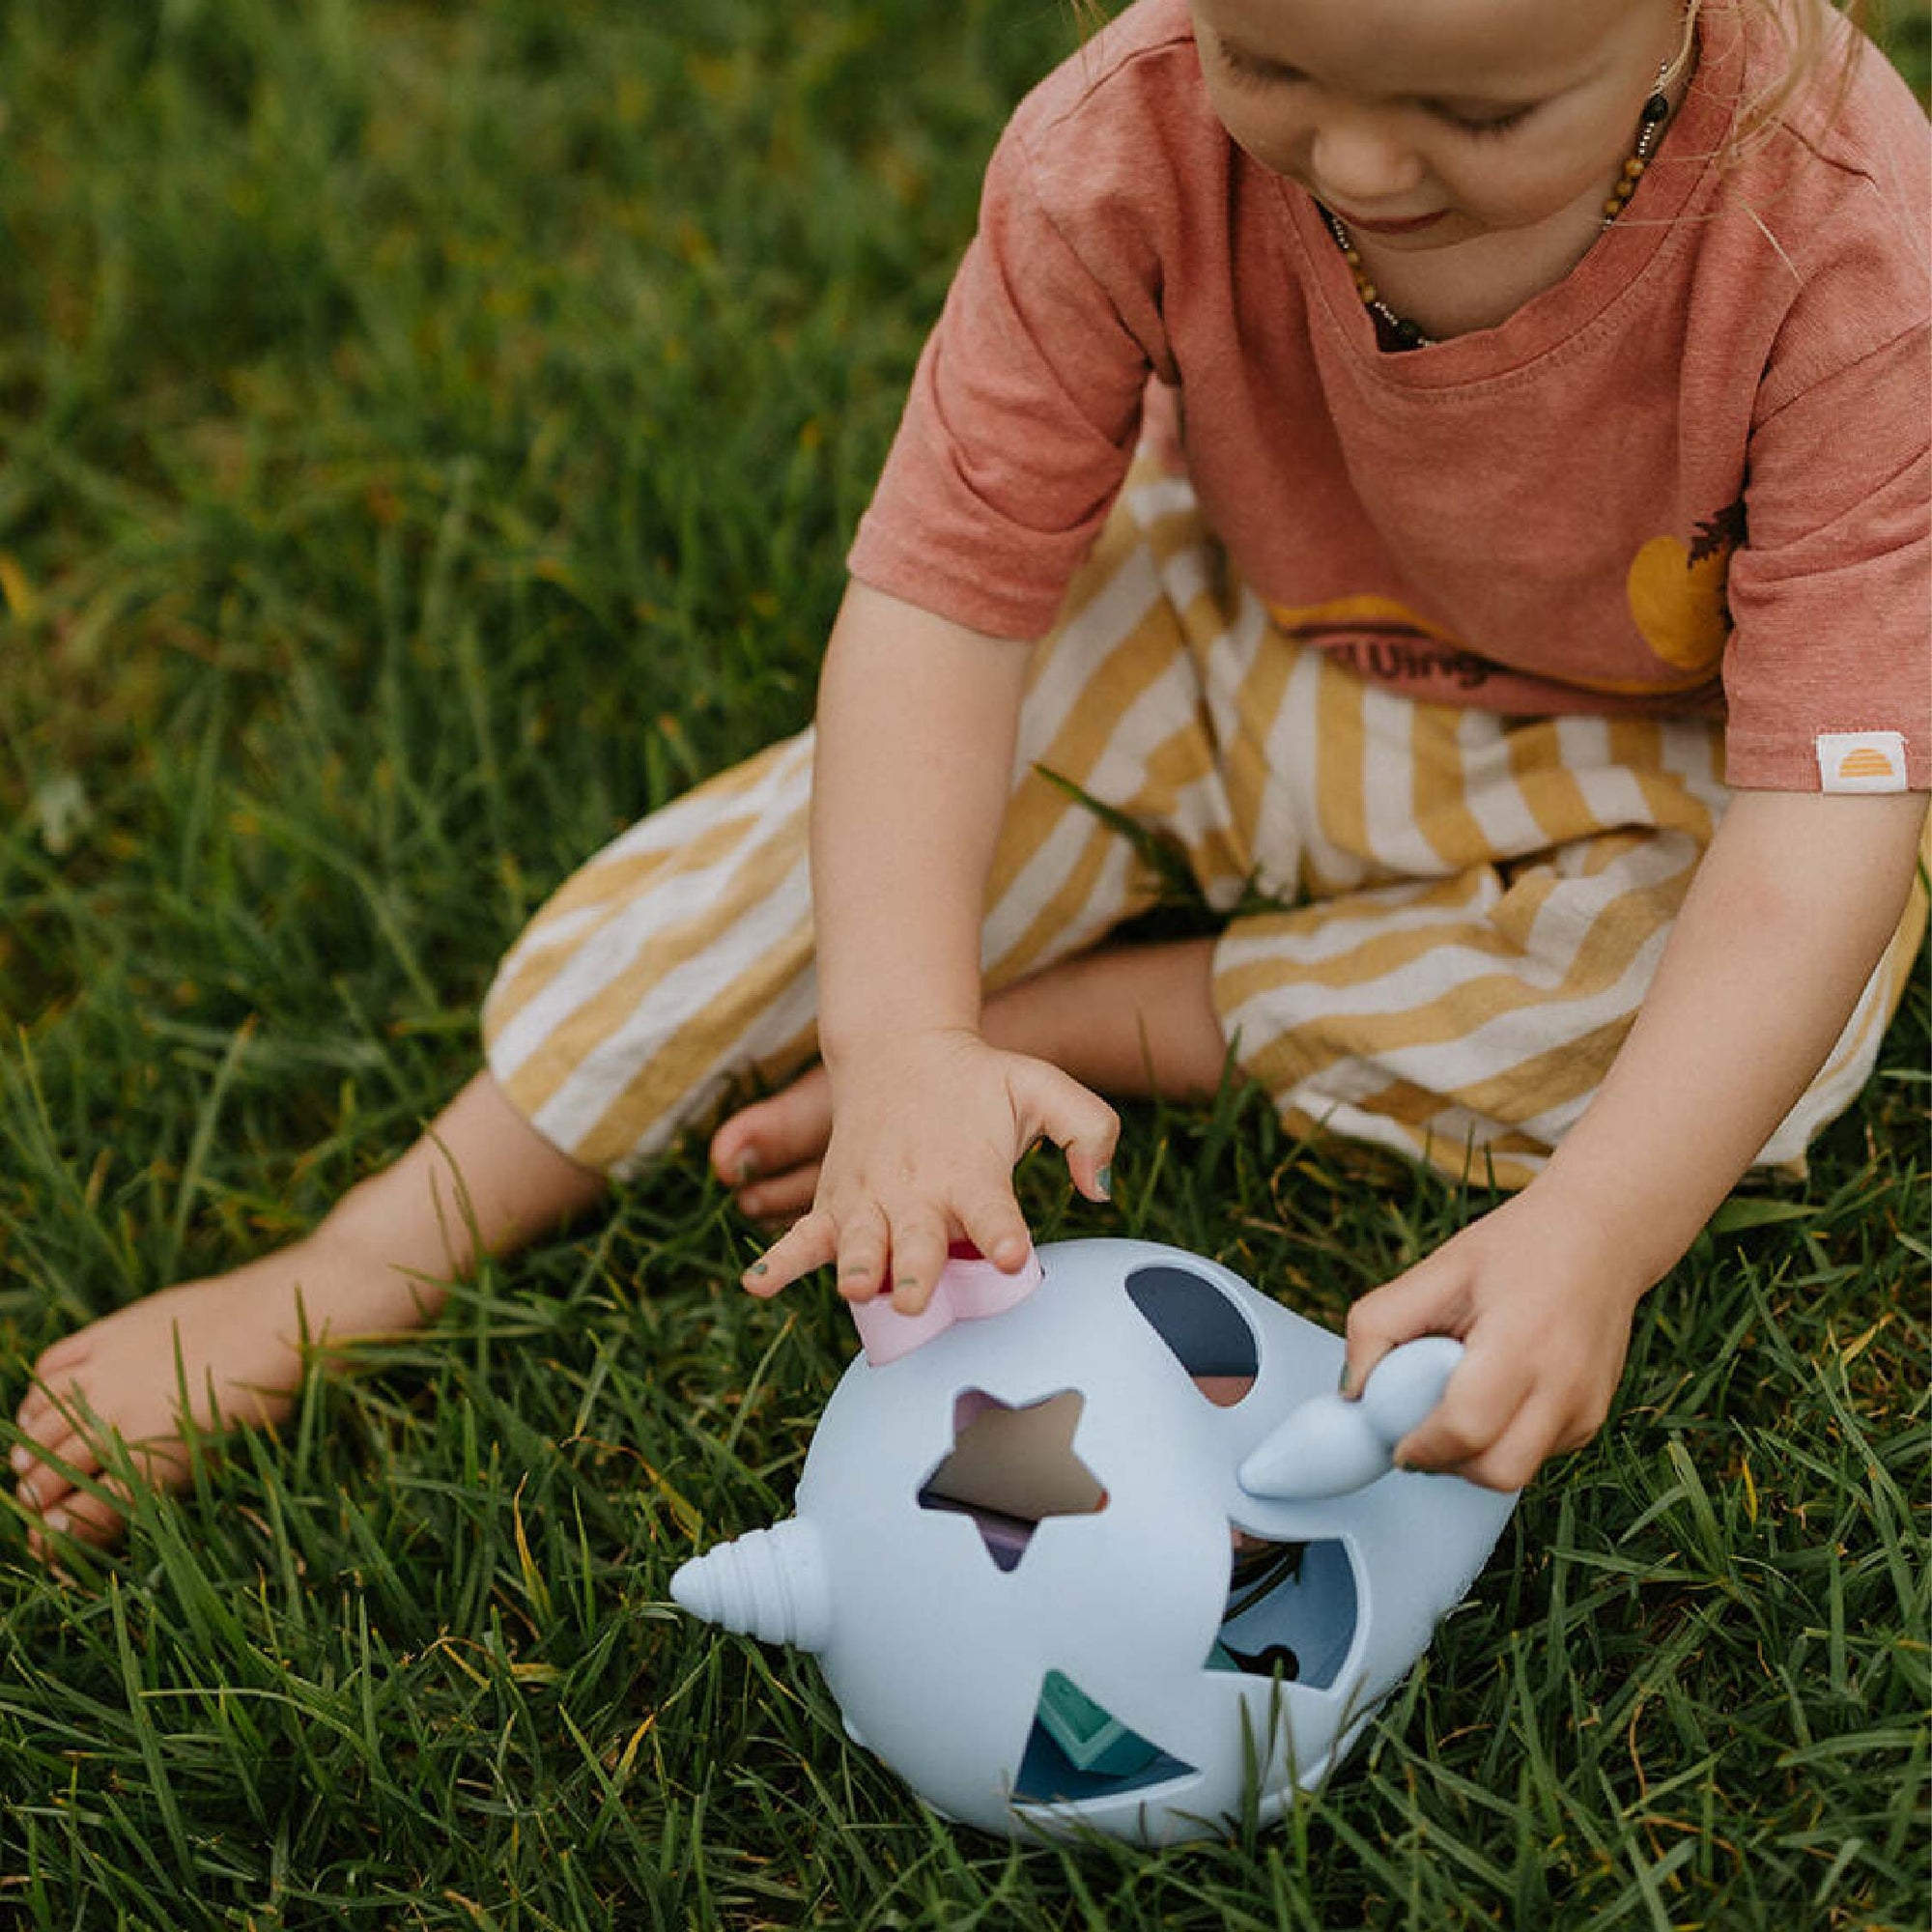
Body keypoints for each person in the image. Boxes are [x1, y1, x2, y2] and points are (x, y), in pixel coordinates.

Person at [13, 0, 1928, 1555]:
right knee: (835, 842)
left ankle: (1120, 1015)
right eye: (1271, 67)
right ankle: (387, 1236)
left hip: (1635, 737)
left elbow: (1823, 812)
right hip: (1220, 630)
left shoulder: (1845, 235)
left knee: (1759, 1020)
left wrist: (1595, 1234)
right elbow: (937, 614)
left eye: (1473, 111)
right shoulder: (1123, 137)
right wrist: (895, 1022)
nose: (1351, 162)